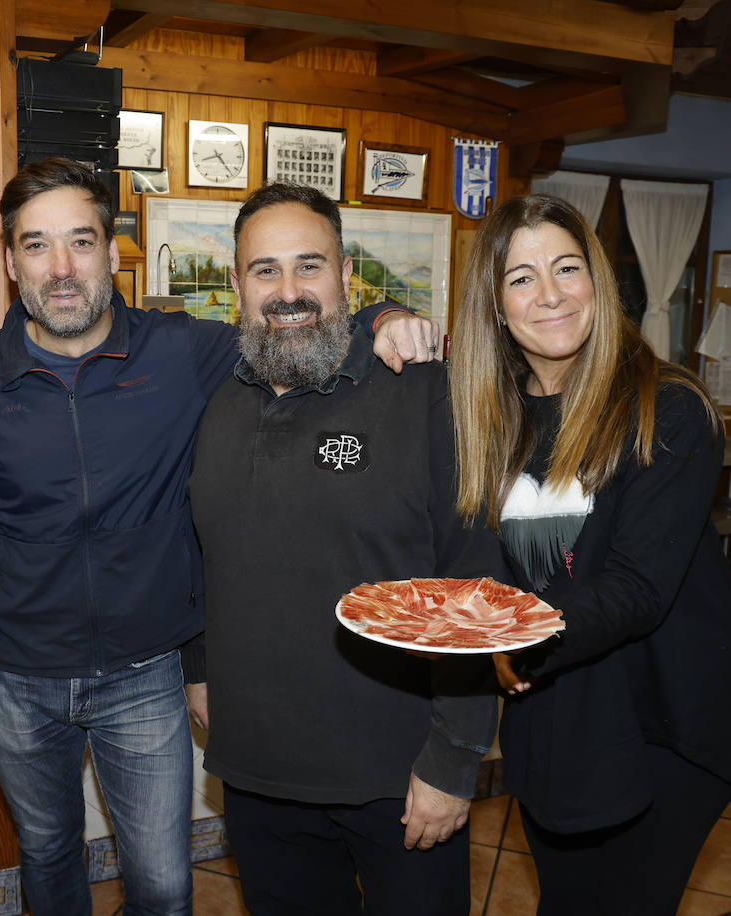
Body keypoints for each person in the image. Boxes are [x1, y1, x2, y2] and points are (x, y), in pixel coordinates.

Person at [0, 158, 437, 916]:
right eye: (37, 246)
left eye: (81, 241)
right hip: (19, 675)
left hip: (144, 672)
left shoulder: (183, 352)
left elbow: (293, 319)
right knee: (45, 855)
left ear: (111, 250)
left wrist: (383, 315)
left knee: (166, 885)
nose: (62, 268)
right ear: (9, 262)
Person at [448, 193, 731, 914]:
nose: (552, 294)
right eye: (522, 278)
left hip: (658, 722)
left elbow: (635, 587)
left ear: (597, 281)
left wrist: (512, 641)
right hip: (555, 720)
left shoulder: (670, 408)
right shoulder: (495, 420)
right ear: (495, 307)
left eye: (568, 268)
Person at [186, 183, 504, 915]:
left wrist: (455, 762)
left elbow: (473, 579)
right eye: (265, 270)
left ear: (347, 277)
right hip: (260, 774)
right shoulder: (215, 402)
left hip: (399, 776)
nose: (288, 291)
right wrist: (199, 668)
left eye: (310, 266)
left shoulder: (423, 392)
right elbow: (200, 553)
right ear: (236, 285)